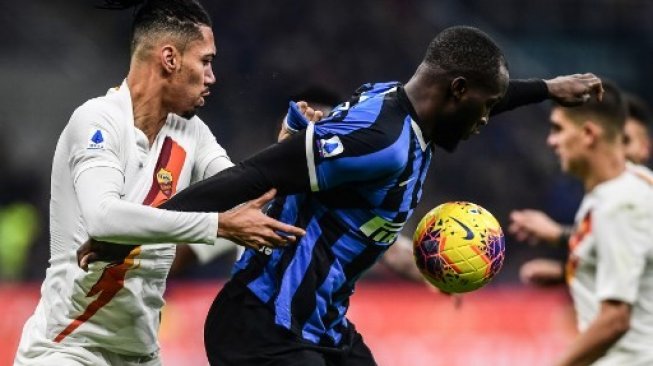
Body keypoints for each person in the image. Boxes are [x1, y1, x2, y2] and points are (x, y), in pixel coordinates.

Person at [81, 26, 603, 365]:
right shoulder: (380, 145)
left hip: (322, 330)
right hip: (264, 330)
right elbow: (253, 174)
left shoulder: (396, 100)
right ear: (457, 92)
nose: (485, 122)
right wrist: (129, 233)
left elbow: (485, 89)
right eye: (484, 108)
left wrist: (548, 88)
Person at [14, 1, 306, 365]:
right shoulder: (97, 123)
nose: (212, 76)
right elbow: (103, 219)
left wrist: (287, 152)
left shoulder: (192, 133)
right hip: (68, 349)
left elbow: (240, 192)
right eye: (205, 61)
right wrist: (216, 225)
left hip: (141, 354)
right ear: (169, 59)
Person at [170, 86, 344, 277]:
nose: (311, 133)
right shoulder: (257, 201)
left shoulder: (358, 199)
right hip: (253, 302)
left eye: (321, 123)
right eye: (301, 122)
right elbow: (176, 259)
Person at [542, 82, 653, 365]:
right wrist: (563, 273)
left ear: (589, 134)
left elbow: (615, 319)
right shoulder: (608, 195)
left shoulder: (620, 204)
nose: (551, 141)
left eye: (558, 129)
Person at [510, 93, 652, 286]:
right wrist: (565, 274)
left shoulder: (638, 192)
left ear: (645, 147)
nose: (617, 149)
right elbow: (626, 264)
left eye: (625, 141)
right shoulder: (605, 194)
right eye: (614, 139)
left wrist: (559, 235)